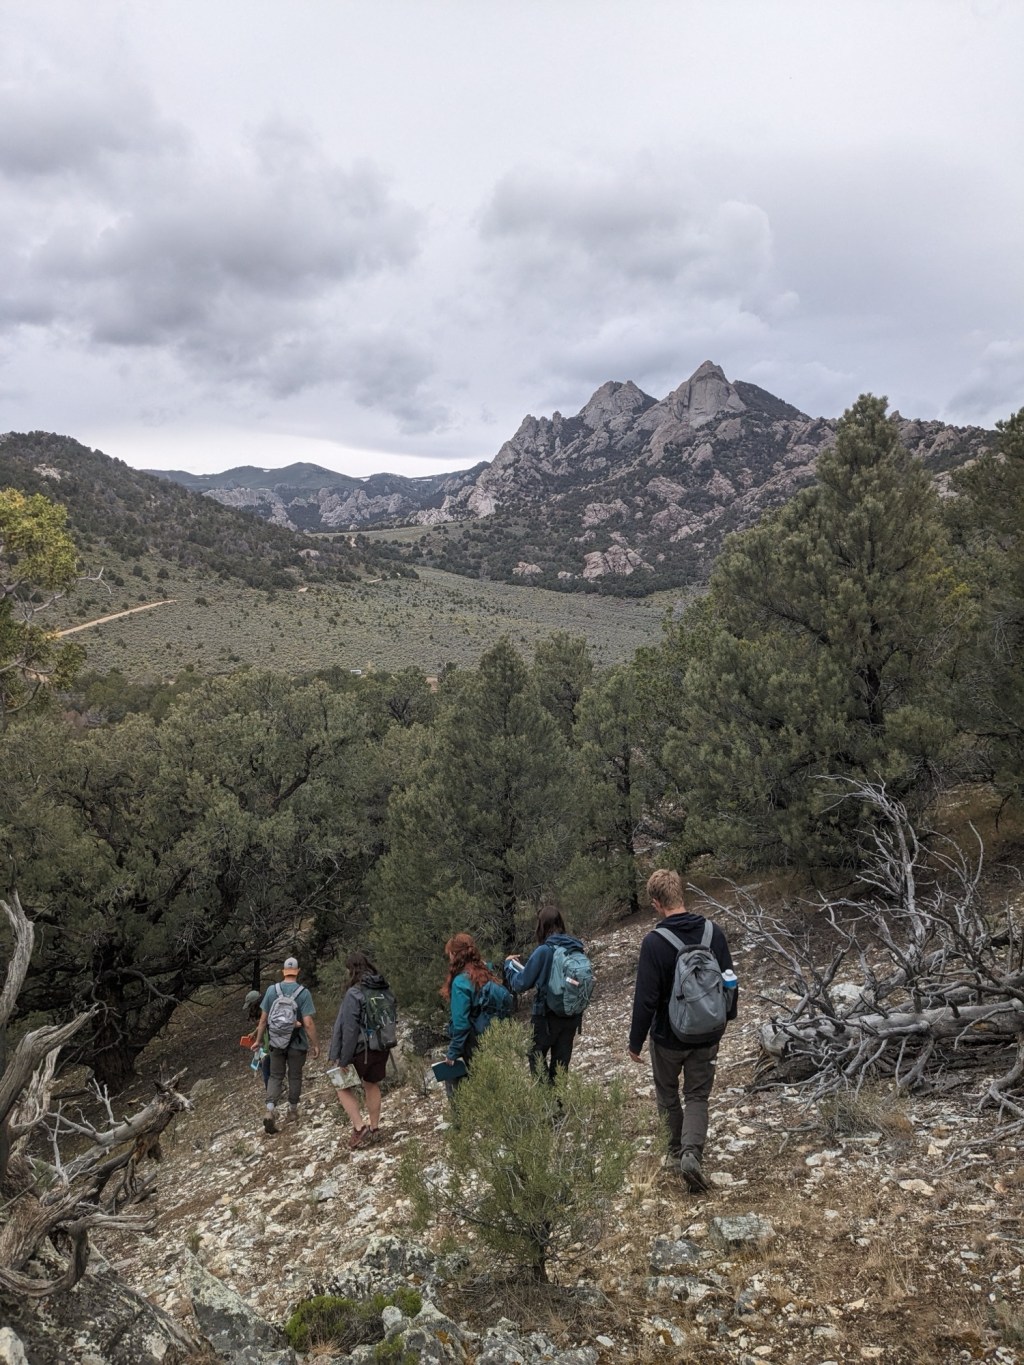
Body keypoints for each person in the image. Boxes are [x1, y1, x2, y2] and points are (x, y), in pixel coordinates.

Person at [628, 869, 738, 1192]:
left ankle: (677, 1152)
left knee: (668, 1093)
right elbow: (729, 979)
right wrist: (725, 1016)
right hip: (708, 1032)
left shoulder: (654, 942)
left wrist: (635, 1042)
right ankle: (693, 1152)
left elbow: (645, 999)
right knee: (698, 1095)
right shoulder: (712, 932)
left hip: (668, 1037)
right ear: (681, 894)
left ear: (656, 903)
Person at [504, 906, 586, 1082]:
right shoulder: (575, 946)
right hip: (571, 1014)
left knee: (536, 1057)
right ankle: (559, 1105)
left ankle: (546, 1104)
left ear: (541, 926)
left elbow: (521, 983)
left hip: (546, 1016)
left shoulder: (543, 951)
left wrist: (509, 967)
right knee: (561, 1065)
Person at [328, 951, 393, 1150]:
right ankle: (375, 1128)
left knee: (342, 1086)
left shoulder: (354, 993)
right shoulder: (383, 988)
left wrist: (343, 1059)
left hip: (361, 1049)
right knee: (371, 1084)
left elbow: (349, 1029)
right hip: (382, 1046)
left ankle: (359, 1127)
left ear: (351, 970)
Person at [252, 956, 319, 1134]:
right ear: (297, 972)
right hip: (297, 1043)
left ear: (284, 971)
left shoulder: (272, 990)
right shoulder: (303, 993)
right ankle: (293, 1111)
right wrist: (315, 1044)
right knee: (295, 1076)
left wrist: (258, 1041)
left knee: (275, 1076)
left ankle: (270, 1109)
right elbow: (308, 1022)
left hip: (275, 1042)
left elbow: (263, 1020)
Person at [441, 933, 503, 1097]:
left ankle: (461, 1120)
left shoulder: (460, 982)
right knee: (491, 1080)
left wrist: (452, 1053)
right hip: (492, 1034)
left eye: (450, 953)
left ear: (454, 954)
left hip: (472, 1041)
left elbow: (461, 1023)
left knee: (454, 1081)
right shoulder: (485, 970)